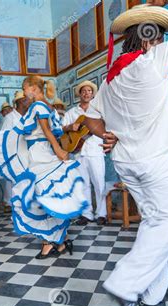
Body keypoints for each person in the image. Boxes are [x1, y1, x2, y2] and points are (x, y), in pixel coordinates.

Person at [84, 1, 168, 306]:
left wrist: (105, 135)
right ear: (150, 39)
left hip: (126, 160)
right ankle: (125, 282)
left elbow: (90, 118)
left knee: (155, 222)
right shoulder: (152, 61)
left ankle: (152, 295)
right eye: (162, 36)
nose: (167, 42)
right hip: (154, 157)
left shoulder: (109, 79)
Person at [0, 76, 88, 259]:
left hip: (40, 155)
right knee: (47, 195)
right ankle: (60, 240)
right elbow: (54, 130)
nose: (24, 92)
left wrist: (58, 150)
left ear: (33, 88)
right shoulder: (49, 106)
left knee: (38, 197)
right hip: (43, 153)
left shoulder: (38, 106)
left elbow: (48, 131)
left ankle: (49, 242)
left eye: (24, 88)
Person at [63, 80, 107, 226]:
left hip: (95, 150)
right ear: (79, 94)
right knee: (83, 184)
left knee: (99, 183)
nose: (87, 93)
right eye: (84, 91)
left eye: (89, 91)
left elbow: (107, 127)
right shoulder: (72, 112)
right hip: (78, 152)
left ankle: (101, 213)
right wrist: (70, 127)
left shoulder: (99, 111)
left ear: (93, 94)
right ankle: (86, 214)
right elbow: (60, 129)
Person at [0, 91, 25, 212]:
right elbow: (4, 136)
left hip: (25, 154)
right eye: (24, 100)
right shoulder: (10, 117)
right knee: (12, 182)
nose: (27, 102)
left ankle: (22, 205)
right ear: (19, 103)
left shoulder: (28, 117)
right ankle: (10, 204)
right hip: (13, 154)